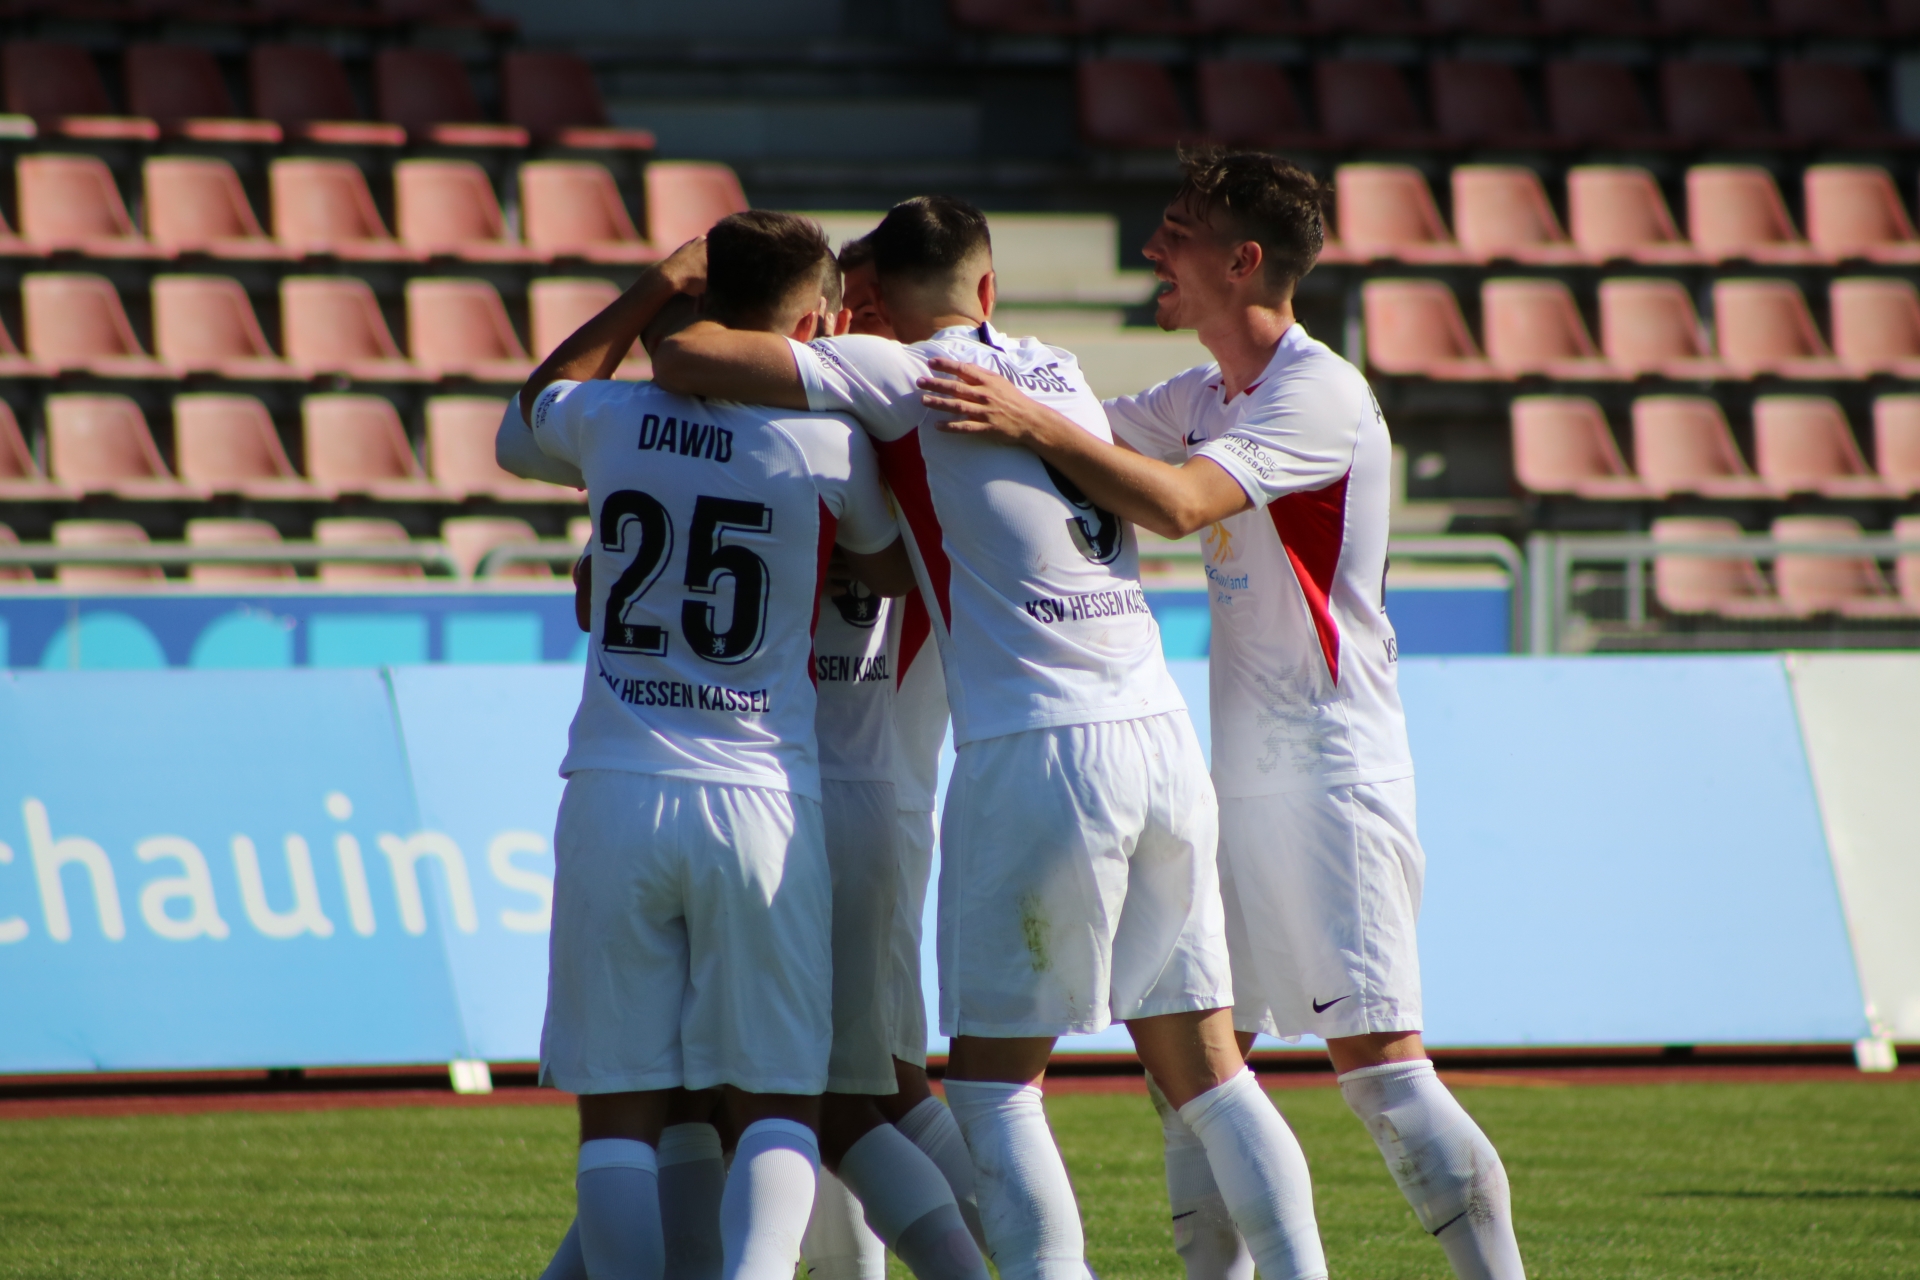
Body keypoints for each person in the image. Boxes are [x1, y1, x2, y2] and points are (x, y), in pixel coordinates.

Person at [649, 196, 1330, 1280]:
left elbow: (688, 358)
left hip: (1038, 750)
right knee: (1210, 1074)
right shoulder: (1058, 368)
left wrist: (672, 282)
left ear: (873, 302)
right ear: (990, 288)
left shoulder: (898, 372)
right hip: (1159, 736)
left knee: (993, 1087)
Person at [912, 149, 1528, 1280]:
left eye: (1178, 230)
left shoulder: (1318, 391)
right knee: (1199, 1076)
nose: (1153, 247)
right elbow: (1078, 443)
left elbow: (1178, 502)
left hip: (1334, 772)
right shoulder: (1203, 394)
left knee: (1383, 1072)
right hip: (1229, 773)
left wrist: (1030, 420)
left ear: (1243, 261)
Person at [507, 210, 917, 1280]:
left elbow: (524, 419)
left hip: (614, 787)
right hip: (760, 795)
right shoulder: (829, 444)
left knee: (620, 1117)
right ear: (814, 322)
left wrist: (651, 288)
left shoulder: (608, 415)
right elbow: (885, 569)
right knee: (780, 1101)